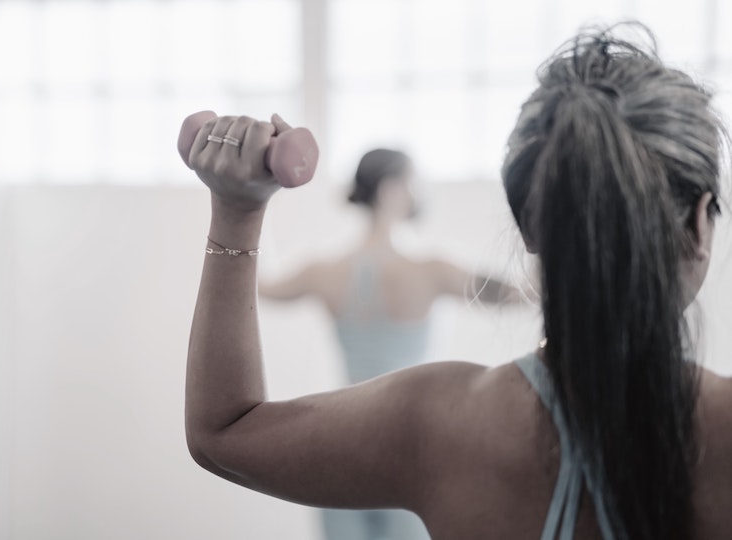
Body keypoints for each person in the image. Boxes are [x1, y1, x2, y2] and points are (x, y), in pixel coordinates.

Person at [183, 25, 732, 540]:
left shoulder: (434, 424)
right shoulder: (435, 274)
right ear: (698, 223)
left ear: (529, 224)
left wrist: (238, 209)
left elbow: (224, 431)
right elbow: (510, 294)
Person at [259, 149, 519, 540]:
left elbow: (263, 285)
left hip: (340, 442)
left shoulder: (323, 271)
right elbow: (520, 294)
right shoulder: (430, 271)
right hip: (410, 448)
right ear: (392, 189)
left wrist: (253, 201)